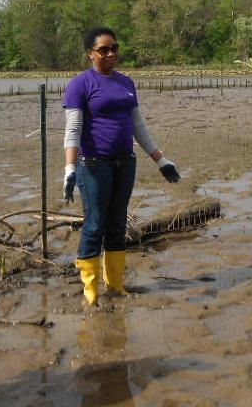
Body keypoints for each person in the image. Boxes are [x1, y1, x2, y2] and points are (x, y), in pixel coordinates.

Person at [62, 27, 180, 306]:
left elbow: (138, 126)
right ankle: (91, 292)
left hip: (125, 163)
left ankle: (115, 285)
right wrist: (69, 168)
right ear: (90, 53)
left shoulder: (126, 83)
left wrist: (161, 160)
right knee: (95, 225)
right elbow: (73, 128)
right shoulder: (80, 85)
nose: (111, 53)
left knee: (117, 225)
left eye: (114, 47)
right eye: (103, 49)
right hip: (94, 165)